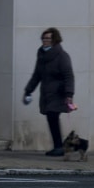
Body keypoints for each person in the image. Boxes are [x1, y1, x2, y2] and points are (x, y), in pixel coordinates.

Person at [23, 27, 75, 157]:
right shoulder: (41, 55)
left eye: (48, 38)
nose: (45, 41)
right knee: (51, 118)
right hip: (46, 92)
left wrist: (69, 94)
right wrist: (28, 90)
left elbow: (69, 75)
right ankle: (59, 146)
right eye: (43, 38)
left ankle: (59, 147)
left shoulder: (62, 56)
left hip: (58, 92)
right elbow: (37, 75)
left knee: (52, 116)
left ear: (54, 40)